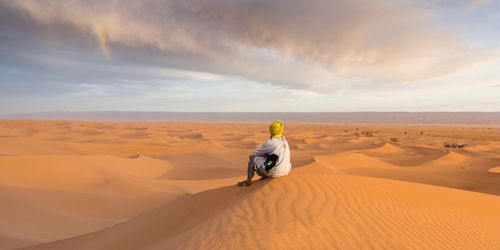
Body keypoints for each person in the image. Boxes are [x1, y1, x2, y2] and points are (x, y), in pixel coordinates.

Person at [238, 121, 291, 186]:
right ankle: (266, 171)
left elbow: (254, 153)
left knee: (252, 158)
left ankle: (248, 181)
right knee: (270, 157)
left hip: (275, 173)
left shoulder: (271, 142)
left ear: (270, 130)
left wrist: (264, 156)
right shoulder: (284, 141)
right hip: (285, 171)